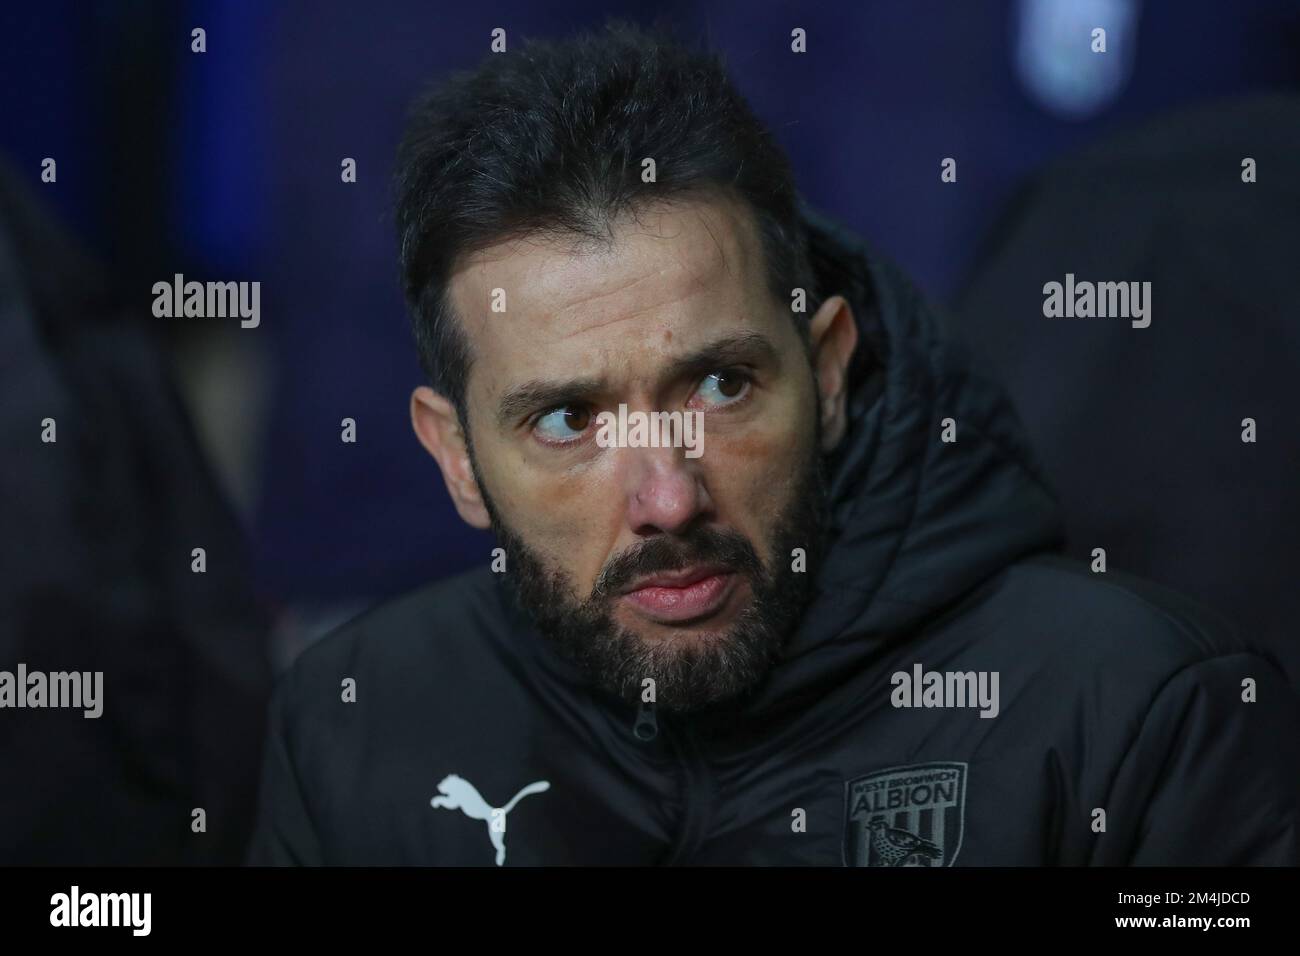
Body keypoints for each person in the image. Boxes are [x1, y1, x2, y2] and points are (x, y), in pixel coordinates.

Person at [246, 24, 1298, 866]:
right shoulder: (357, 719)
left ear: (829, 369)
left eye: (719, 383)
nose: (666, 498)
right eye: (567, 420)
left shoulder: (1139, 710)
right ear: (457, 457)